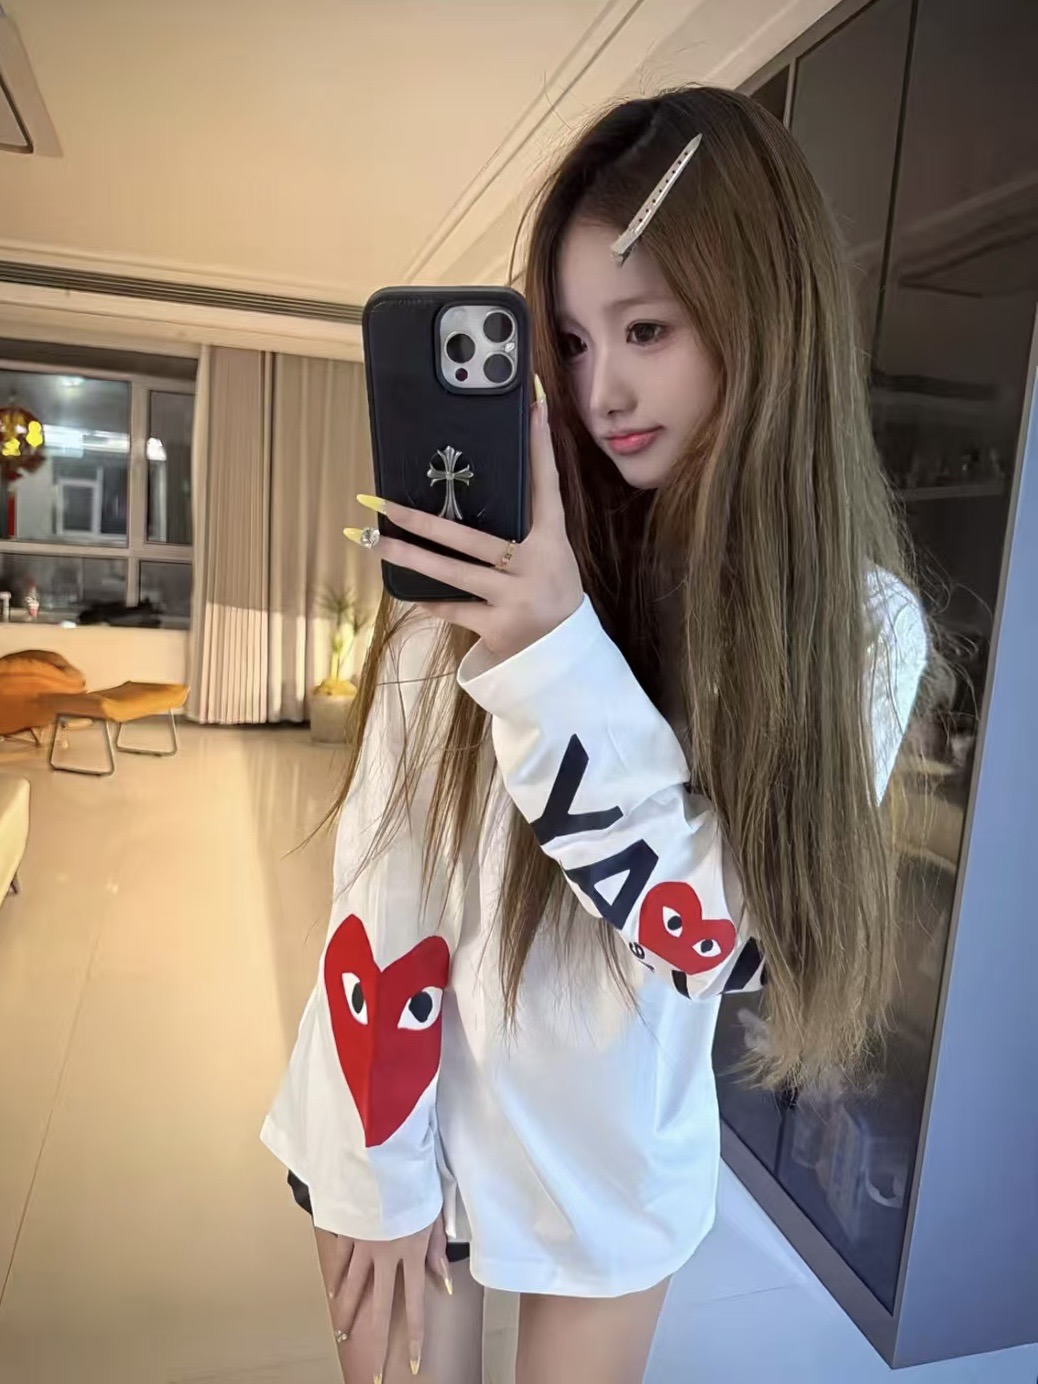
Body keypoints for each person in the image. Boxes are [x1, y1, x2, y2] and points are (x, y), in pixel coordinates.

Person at [261, 86, 929, 1384]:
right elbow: (386, 879)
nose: (598, 388)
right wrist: (375, 1163)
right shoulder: (501, 555)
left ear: (764, 319)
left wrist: (550, 650)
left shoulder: (856, 630)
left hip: (614, 1158)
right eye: (567, 340)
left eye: (646, 329)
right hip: (399, 1108)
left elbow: (714, 939)